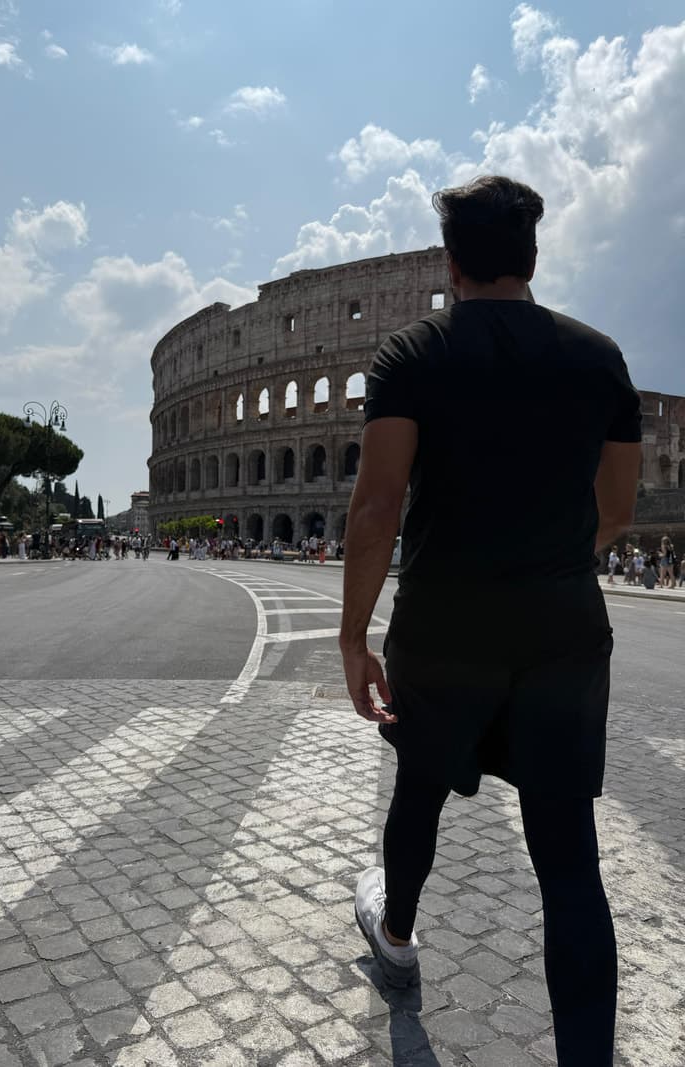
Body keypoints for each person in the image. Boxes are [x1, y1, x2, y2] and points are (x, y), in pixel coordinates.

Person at [340, 176, 641, 1067]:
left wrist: (354, 637)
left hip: (443, 622)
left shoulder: (411, 355)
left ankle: (396, 934)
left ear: (450, 264)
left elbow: (376, 506)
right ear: (533, 260)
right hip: (561, 630)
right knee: (569, 860)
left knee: (421, 793)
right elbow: (616, 510)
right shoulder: (599, 357)